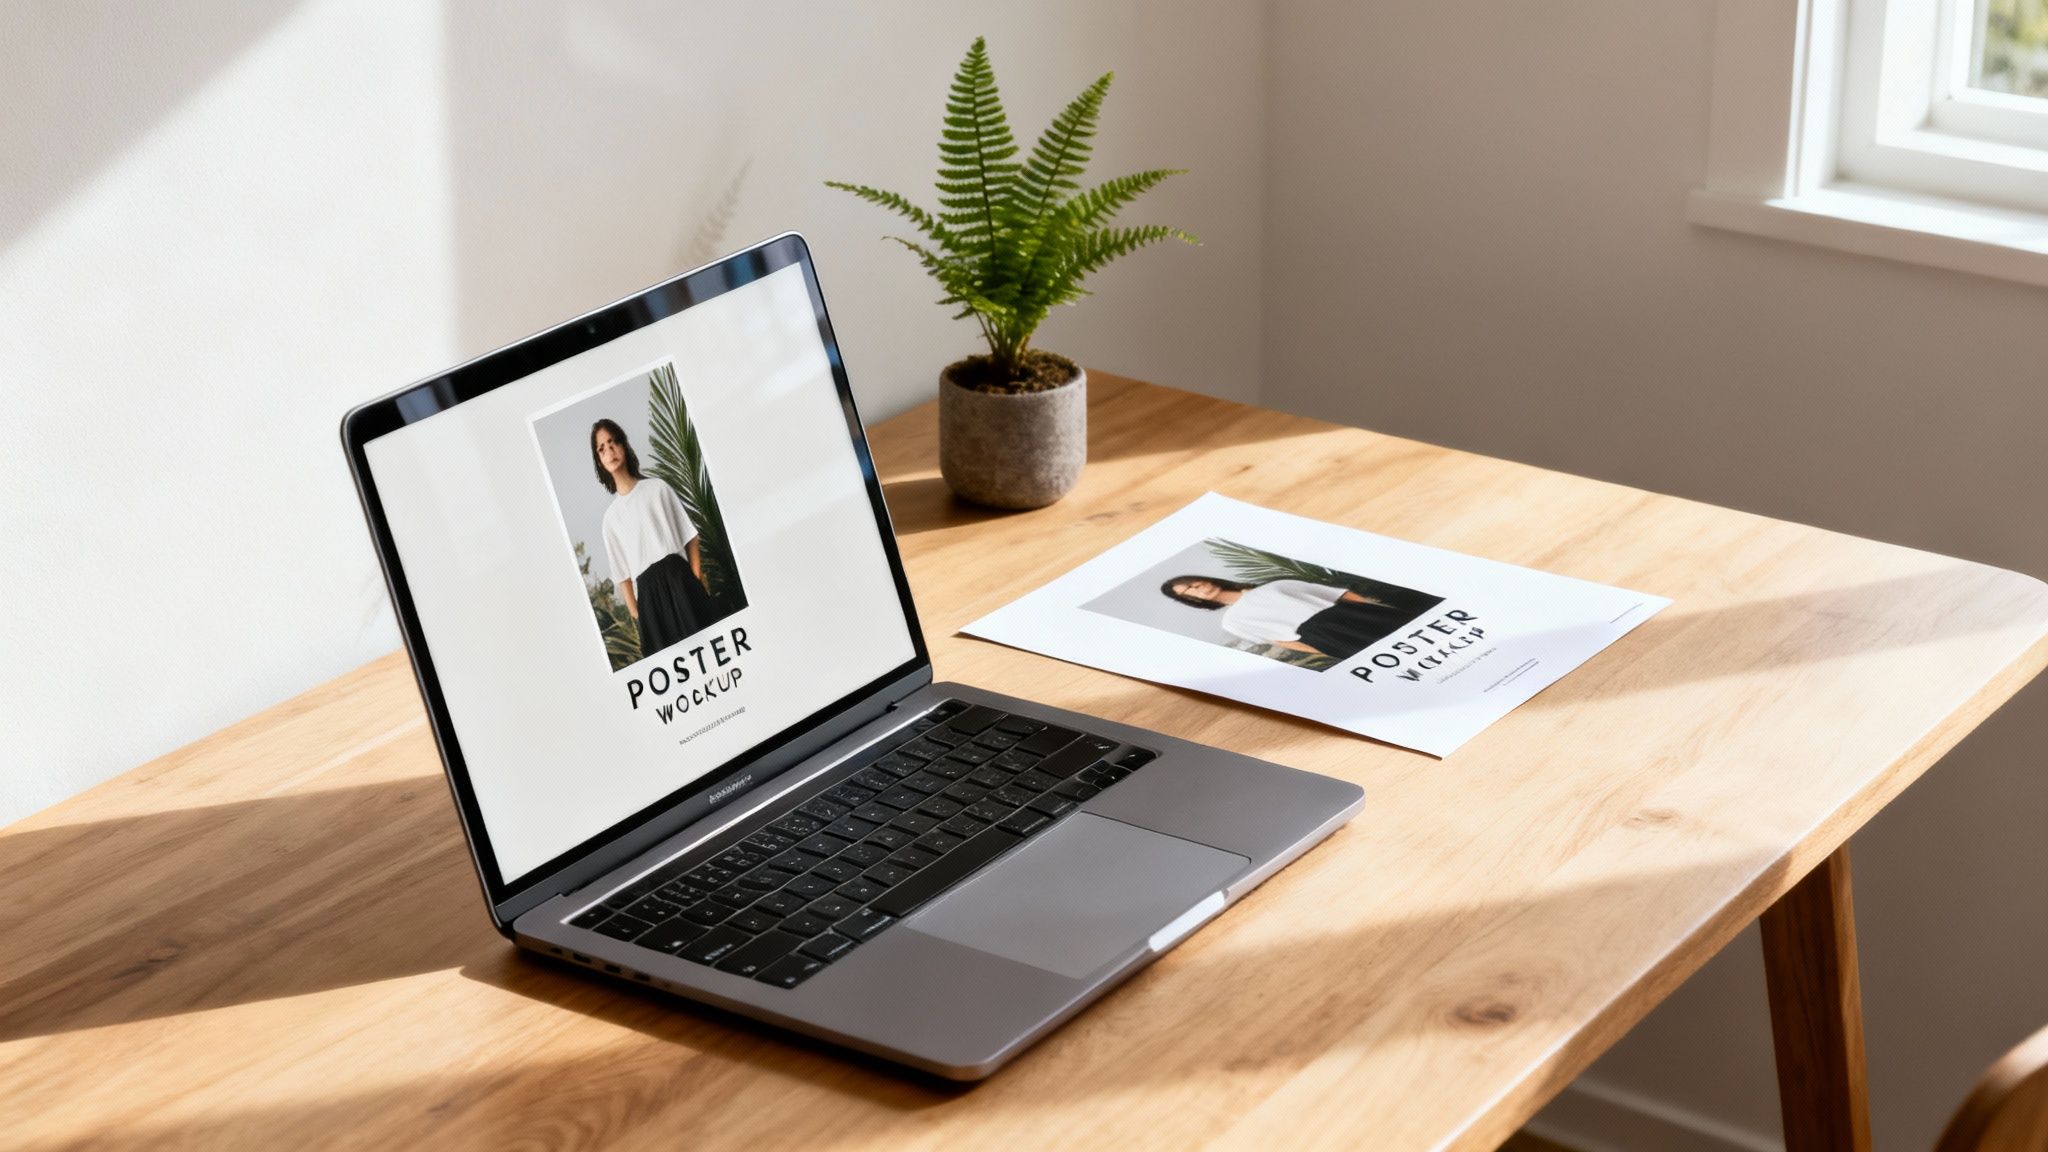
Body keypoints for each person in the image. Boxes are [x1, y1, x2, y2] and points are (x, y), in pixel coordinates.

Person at [592, 418, 705, 658]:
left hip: (681, 580)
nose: (609, 451)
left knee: (706, 648)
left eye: (613, 443)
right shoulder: (610, 519)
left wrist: (694, 580)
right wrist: (639, 616)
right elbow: (623, 577)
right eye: (601, 448)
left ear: (623, 446)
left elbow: (690, 537)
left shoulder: (658, 489)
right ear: (600, 461)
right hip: (649, 600)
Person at [1160, 574, 1418, 662]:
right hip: (1323, 636)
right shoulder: (1232, 622)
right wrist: (1328, 650)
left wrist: (1370, 611)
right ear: (1191, 599)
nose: (1197, 587)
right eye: (1189, 590)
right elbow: (1284, 643)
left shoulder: (1274, 585)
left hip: (1347, 613)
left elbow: (1341, 594)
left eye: (1193, 582)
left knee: (1417, 633)